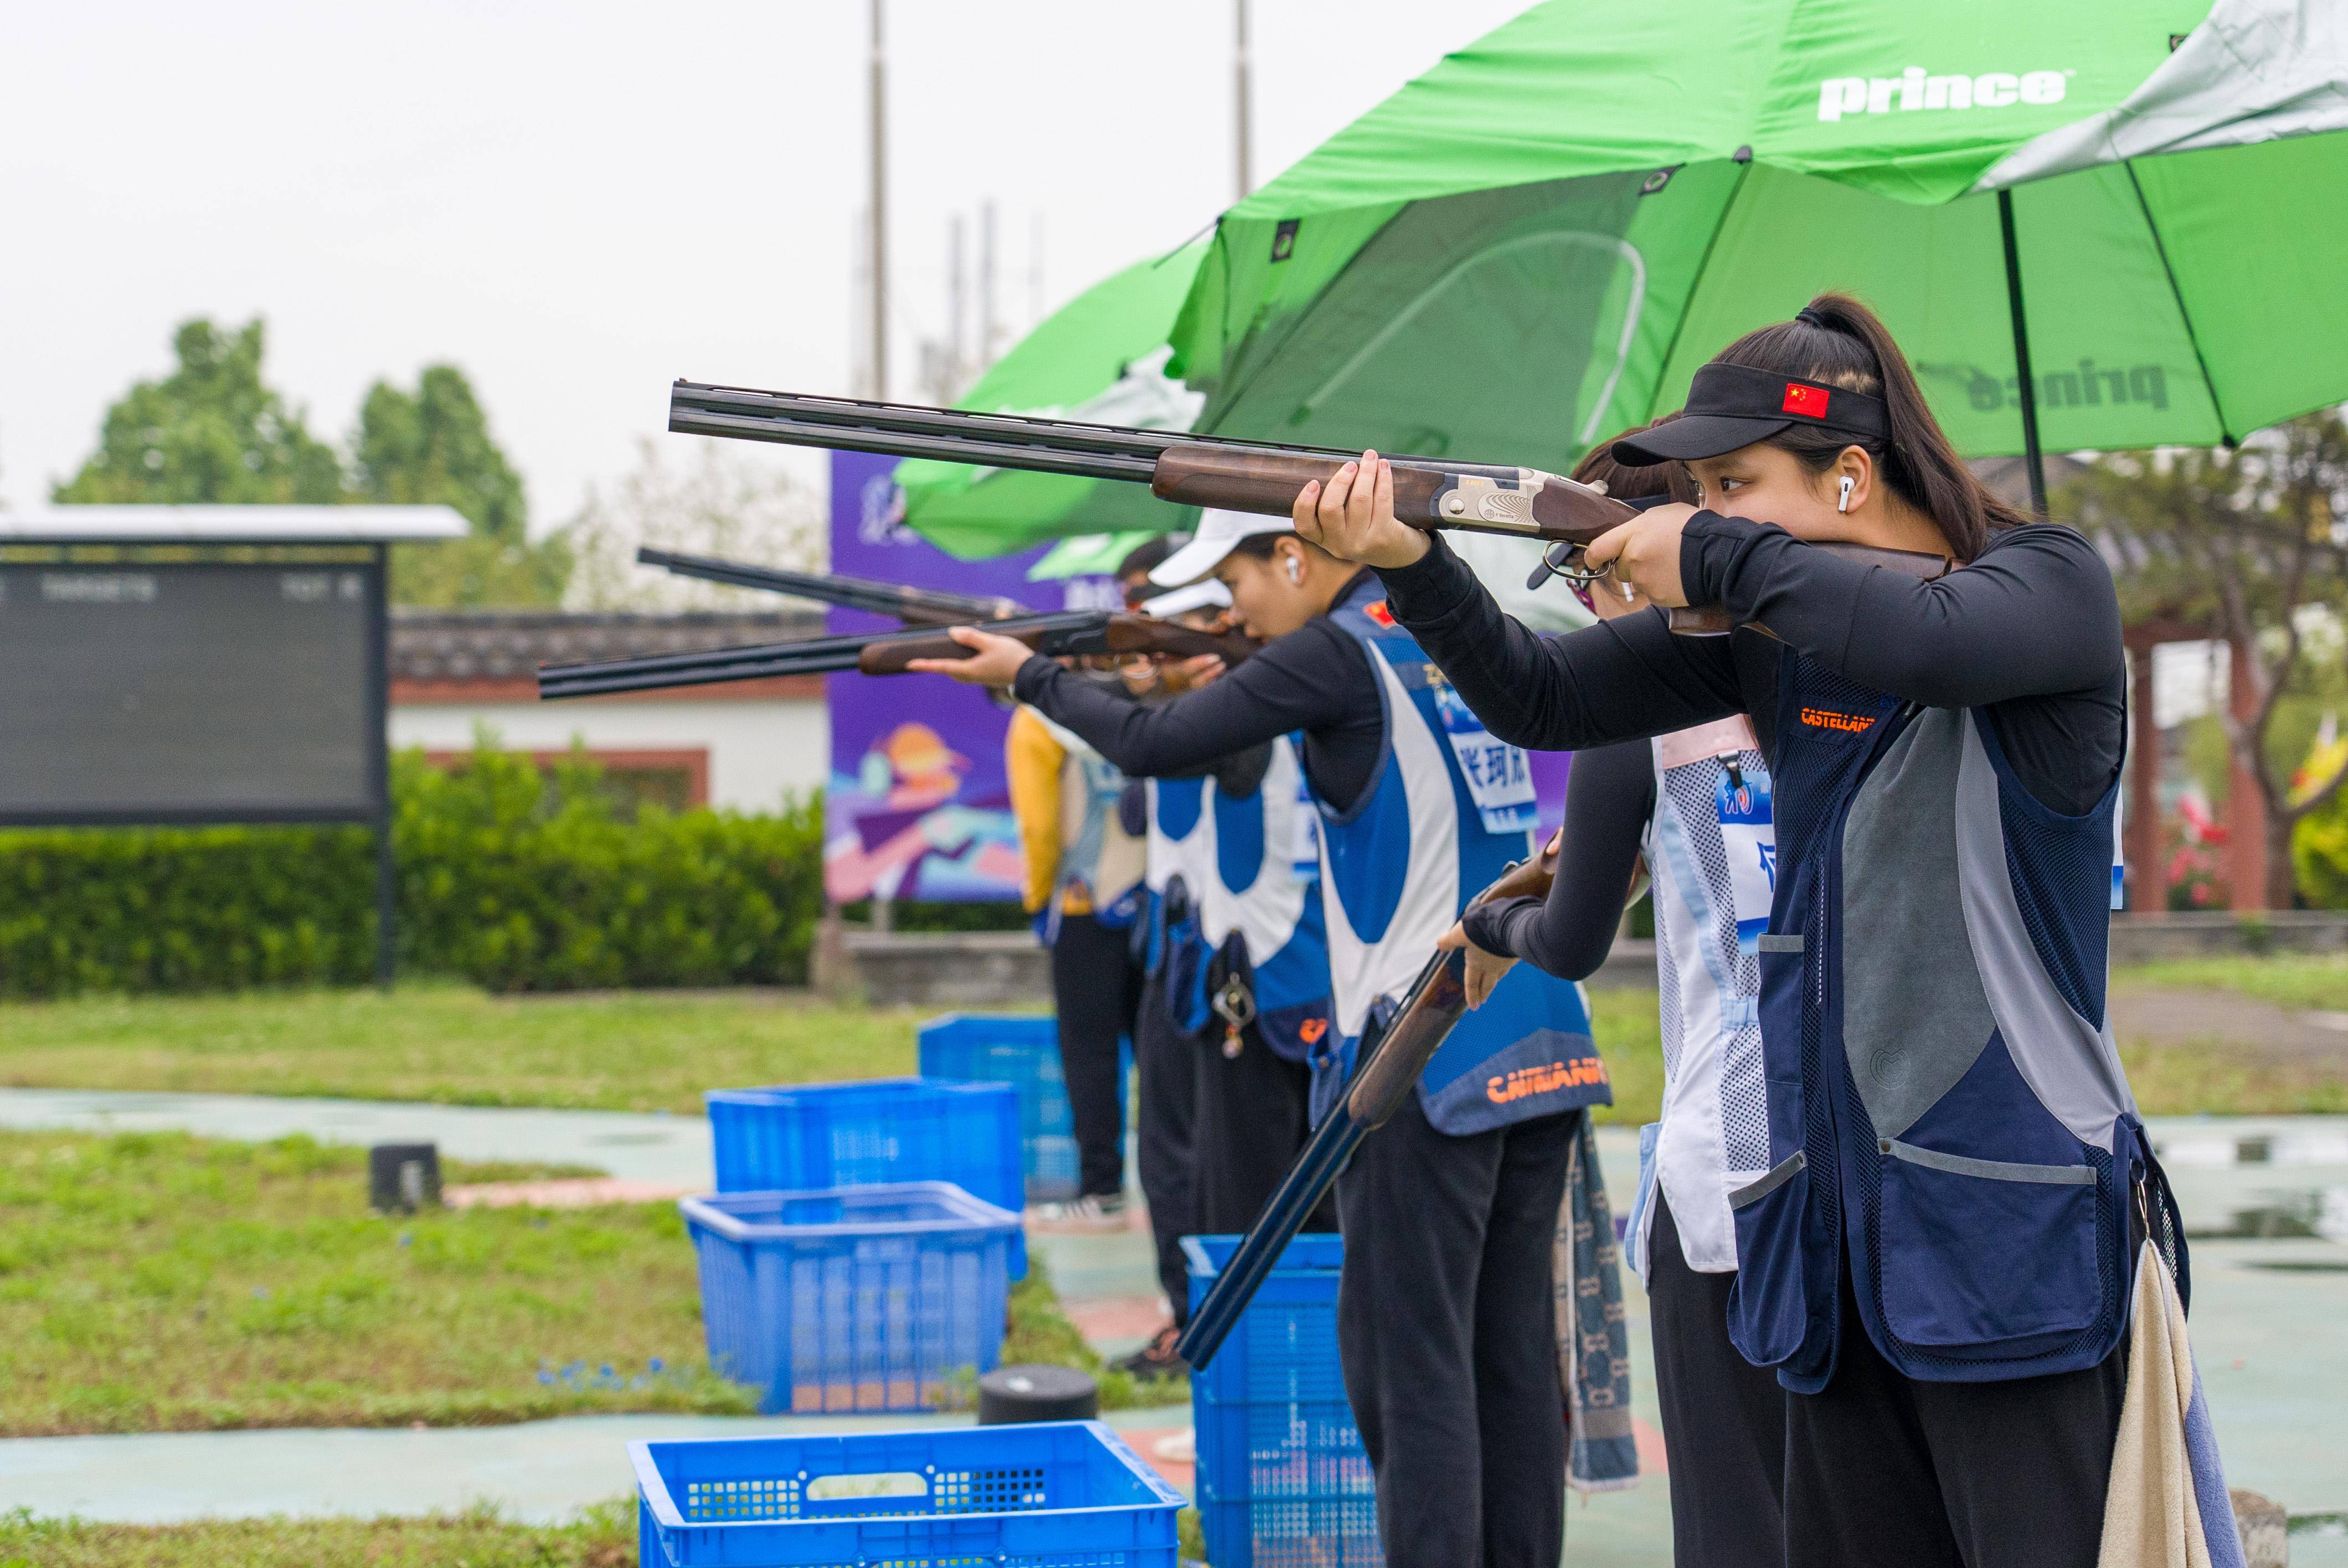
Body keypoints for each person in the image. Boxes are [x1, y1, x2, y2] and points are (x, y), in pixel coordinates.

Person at [1296, 292, 2160, 1568]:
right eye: (1694, 486)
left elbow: (1926, 638)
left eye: (1731, 480)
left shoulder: (2046, 584)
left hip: (2007, 1243)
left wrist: (1706, 551)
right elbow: (1538, 697)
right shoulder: (1773, 646)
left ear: (1851, 474)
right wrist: (1409, 564)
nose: (1699, 509)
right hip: (1828, 1252)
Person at [913, 509, 1614, 1567]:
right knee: (1512, 1365)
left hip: (1419, 1046)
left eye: (1233, 582)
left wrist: (1030, 675)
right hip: (1543, 1034)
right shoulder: (1463, 631)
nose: (1230, 611)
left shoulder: (1336, 651)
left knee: (1410, 1372)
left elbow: (1153, 744)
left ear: (1295, 557)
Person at [1456, 426, 1788, 1568]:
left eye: (1588, 568)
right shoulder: (1833, 670)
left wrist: (1489, 919)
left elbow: (1570, 939)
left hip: (1723, 1179)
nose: (1590, 602)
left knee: (1732, 1523)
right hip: (1856, 1181)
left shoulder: (1631, 715)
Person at [1006, 676, 1145, 1229]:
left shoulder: (1036, 724)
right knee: (1159, 1058)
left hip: (1082, 906)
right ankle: (1170, 1189)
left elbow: (1040, 830)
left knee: (1089, 1053)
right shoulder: (1139, 709)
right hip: (1154, 903)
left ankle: (1102, 1189)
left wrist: (1039, 898)